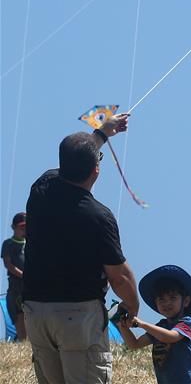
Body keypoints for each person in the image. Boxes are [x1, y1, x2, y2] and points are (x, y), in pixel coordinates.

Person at [23, 116, 140, 384]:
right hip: (77, 316)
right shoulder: (99, 217)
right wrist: (132, 305)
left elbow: (77, 158)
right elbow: (119, 276)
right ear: (96, 171)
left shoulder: (41, 187)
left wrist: (101, 133)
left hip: (36, 314)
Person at [116, 265, 191, 384]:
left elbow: (170, 336)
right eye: (161, 299)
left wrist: (142, 324)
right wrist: (122, 324)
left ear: (186, 301)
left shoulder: (186, 323)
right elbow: (134, 344)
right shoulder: (160, 327)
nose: (167, 303)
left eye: (172, 298)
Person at [2, 212, 27, 341]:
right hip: (16, 289)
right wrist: (24, 275)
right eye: (22, 228)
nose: (25, 231)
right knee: (21, 325)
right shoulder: (8, 244)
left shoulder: (31, 245)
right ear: (13, 227)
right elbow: (8, 264)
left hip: (30, 289)